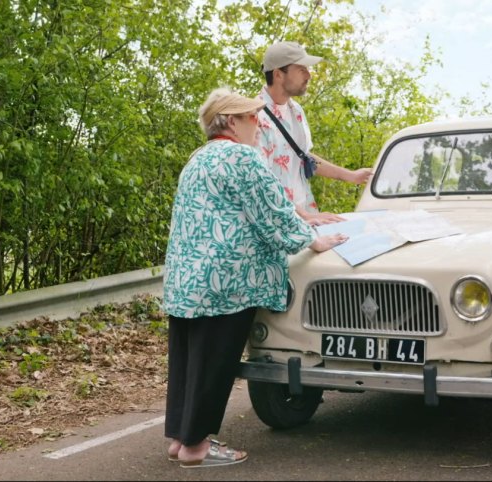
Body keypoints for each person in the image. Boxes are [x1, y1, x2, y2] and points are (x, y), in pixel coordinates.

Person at [162, 87, 347, 468]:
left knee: (188, 359)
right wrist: (312, 241)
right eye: (251, 117)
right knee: (215, 363)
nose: (258, 124)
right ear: (231, 121)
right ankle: (197, 448)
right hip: (226, 281)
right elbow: (273, 212)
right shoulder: (241, 157)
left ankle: (181, 439)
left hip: (187, 280)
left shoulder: (198, 159)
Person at [257, 41, 373, 226]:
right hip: (277, 224)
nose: (309, 75)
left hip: (306, 217)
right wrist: (303, 216)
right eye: (301, 69)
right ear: (278, 74)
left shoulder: (296, 111)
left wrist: (351, 176)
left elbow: (304, 157)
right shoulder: (253, 117)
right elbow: (260, 182)